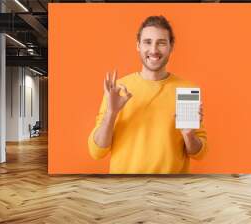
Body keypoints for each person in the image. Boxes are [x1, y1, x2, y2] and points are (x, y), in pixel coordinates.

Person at [88, 15, 207, 174]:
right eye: (147, 42)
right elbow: (97, 152)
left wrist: (189, 135)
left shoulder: (186, 89)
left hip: (171, 191)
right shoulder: (119, 89)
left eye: (161, 43)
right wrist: (111, 113)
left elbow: (199, 153)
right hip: (125, 189)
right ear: (138, 45)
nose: (154, 50)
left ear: (171, 46)